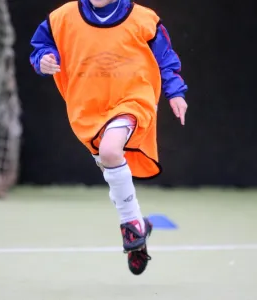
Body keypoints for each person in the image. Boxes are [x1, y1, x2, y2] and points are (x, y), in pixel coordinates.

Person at [30, 0, 188, 275]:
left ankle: (130, 224)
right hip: (87, 108)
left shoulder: (144, 19)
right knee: (109, 163)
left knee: (111, 150)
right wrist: (43, 60)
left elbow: (165, 60)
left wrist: (175, 92)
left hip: (132, 99)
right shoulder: (61, 18)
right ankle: (137, 226)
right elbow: (41, 47)